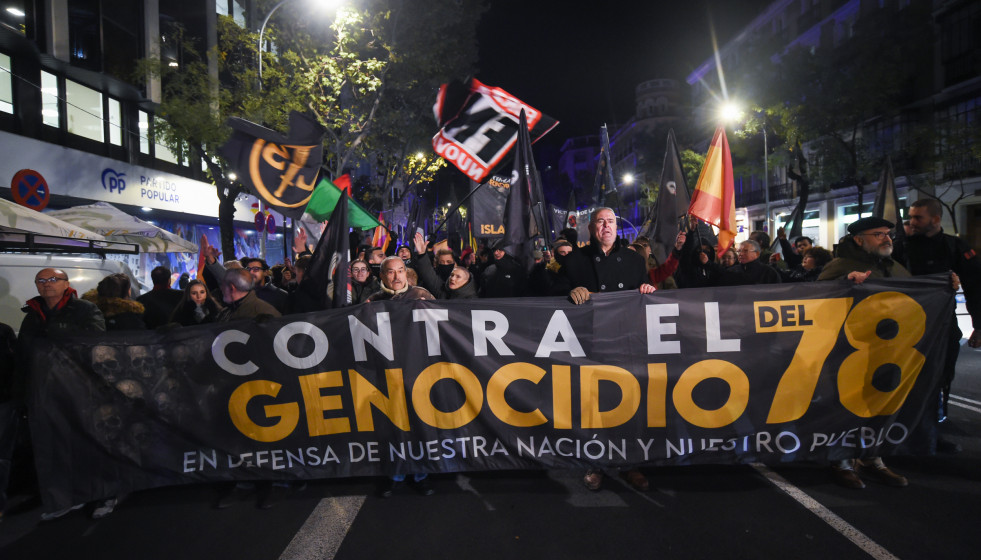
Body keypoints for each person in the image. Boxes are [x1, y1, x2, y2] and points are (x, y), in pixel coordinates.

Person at [554, 208, 654, 491]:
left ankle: (630, 463)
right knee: (593, 404)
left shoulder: (635, 259)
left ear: (616, 227)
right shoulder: (575, 260)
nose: (606, 226)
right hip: (590, 342)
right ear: (591, 229)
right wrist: (569, 293)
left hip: (625, 340)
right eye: (600, 221)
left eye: (610, 221)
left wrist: (647, 289)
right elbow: (554, 289)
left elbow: (644, 289)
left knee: (628, 401)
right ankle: (594, 462)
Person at [817, 216, 912, 489]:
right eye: (878, 233)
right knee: (846, 406)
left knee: (879, 406)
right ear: (859, 239)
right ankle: (842, 461)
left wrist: (945, 285)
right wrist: (845, 283)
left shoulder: (894, 267)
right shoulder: (841, 266)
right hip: (847, 353)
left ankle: (871, 459)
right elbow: (817, 296)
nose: (886, 238)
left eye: (888, 234)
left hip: (887, 352)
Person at [18, 269, 105, 520]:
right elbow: (24, 356)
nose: (47, 285)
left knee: (88, 441)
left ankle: (102, 493)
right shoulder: (32, 314)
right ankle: (69, 497)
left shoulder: (84, 310)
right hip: (44, 390)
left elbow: (96, 343)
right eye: (41, 281)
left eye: (53, 280)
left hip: (78, 387)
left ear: (66, 283)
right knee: (57, 445)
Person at [904, 198, 981, 451]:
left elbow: (975, 286)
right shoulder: (901, 247)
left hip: (943, 326)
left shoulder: (954, 247)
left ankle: (935, 426)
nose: (912, 222)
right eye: (910, 217)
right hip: (905, 329)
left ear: (935, 220)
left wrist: (978, 325)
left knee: (941, 376)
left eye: (918, 218)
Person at [365, 257, 435, 497]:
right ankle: (395, 474)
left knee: (420, 424)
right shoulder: (373, 301)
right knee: (392, 427)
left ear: (407, 273)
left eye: (401, 271)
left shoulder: (421, 295)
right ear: (382, 276)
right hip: (387, 373)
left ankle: (421, 474)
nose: (396, 277)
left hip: (419, 370)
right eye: (391, 273)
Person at [214, 268, 281, 509]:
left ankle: (265, 486)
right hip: (237, 385)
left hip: (257, 388)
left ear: (230, 288)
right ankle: (244, 482)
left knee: (260, 440)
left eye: (223, 287)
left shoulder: (260, 311)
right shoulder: (232, 311)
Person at [412, 233, 477, 300]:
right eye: (452, 275)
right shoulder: (443, 292)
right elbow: (428, 274)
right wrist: (422, 254)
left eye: (458, 277)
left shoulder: (473, 301)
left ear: (467, 281)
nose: (453, 278)